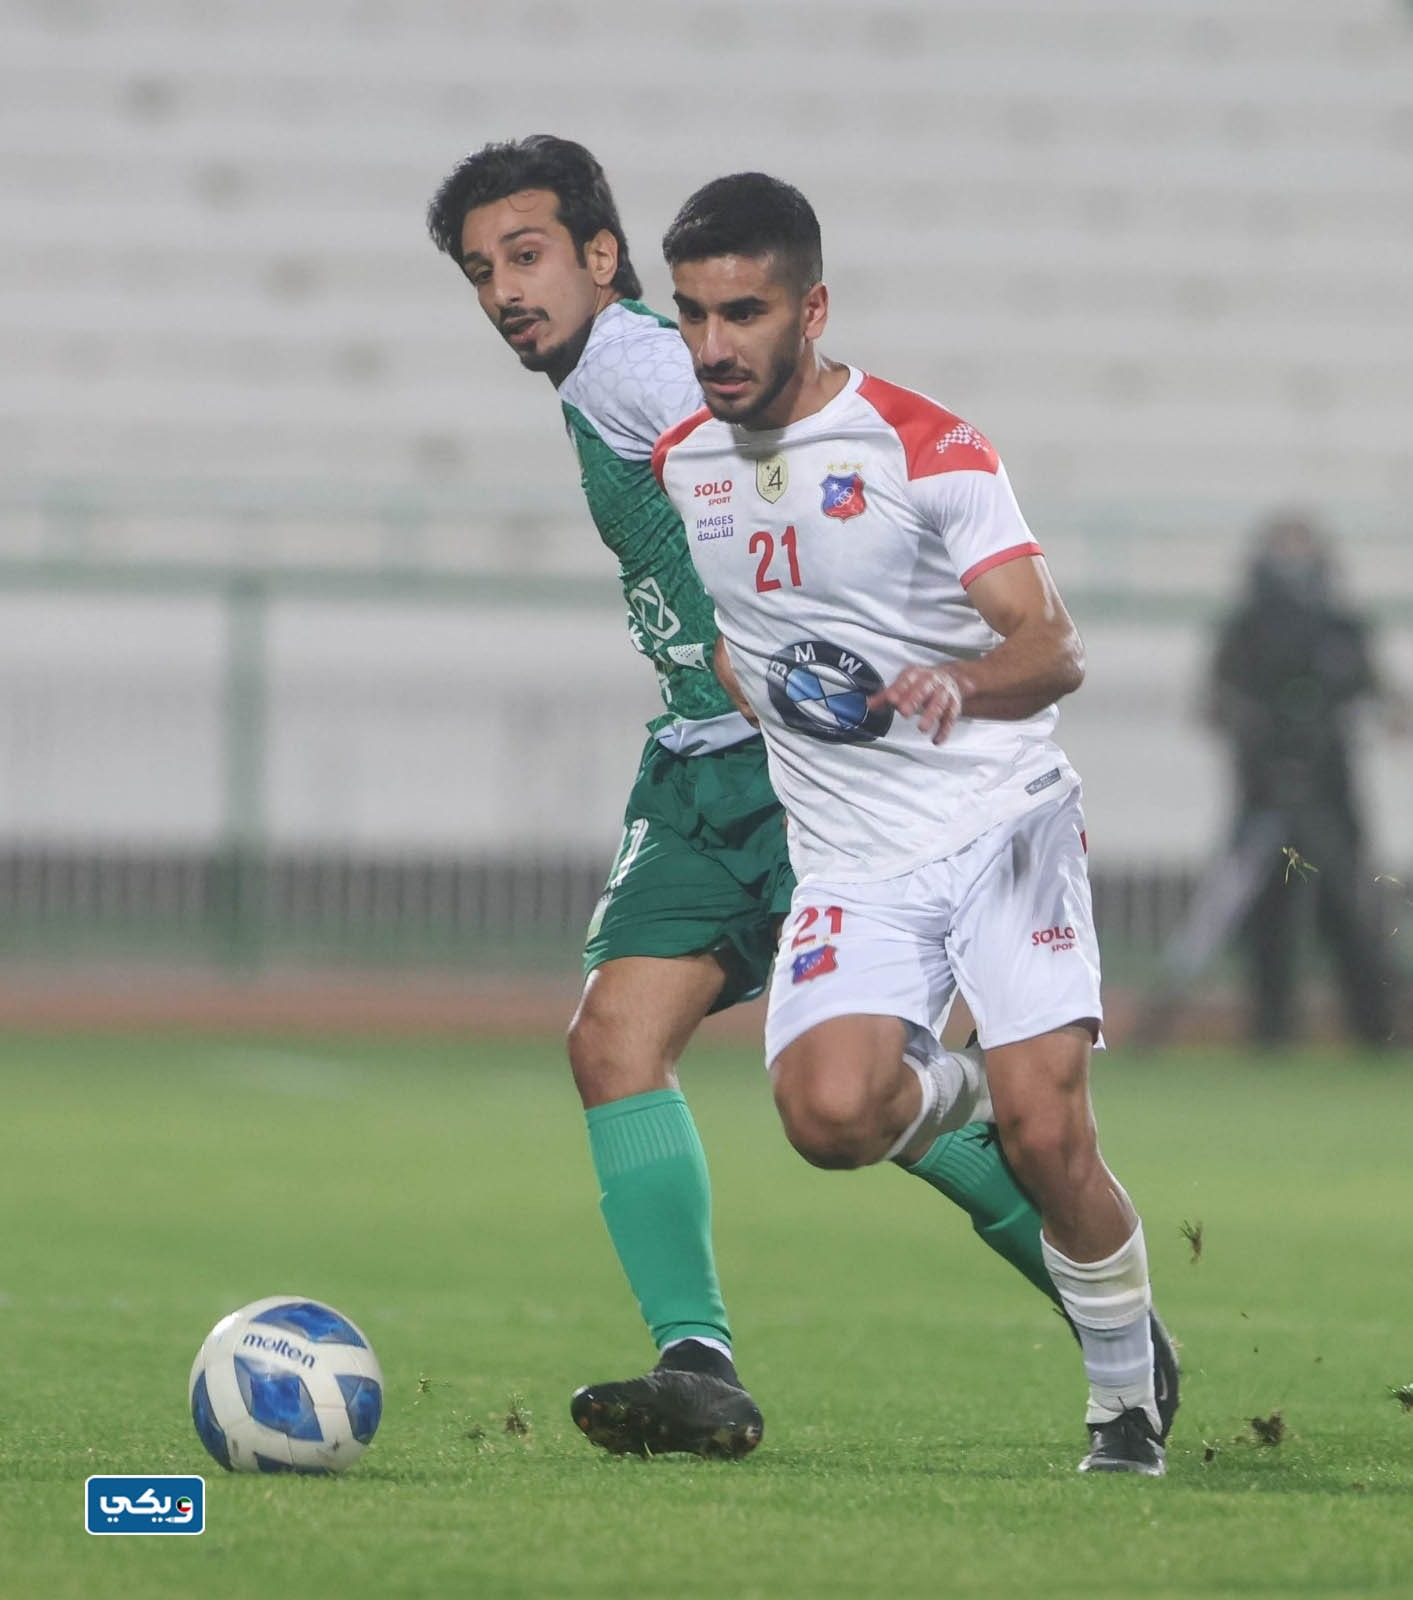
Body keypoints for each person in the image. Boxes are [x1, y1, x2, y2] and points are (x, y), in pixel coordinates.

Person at [425, 138, 1174, 1465]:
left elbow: (805, 502)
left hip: (782, 770)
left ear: (605, 257)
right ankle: (698, 1361)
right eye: (483, 271)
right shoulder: (618, 374)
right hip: (704, 753)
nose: (504, 292)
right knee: (631, 1050)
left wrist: (936, 720)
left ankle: (1104, 1322)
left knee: (848, 1096)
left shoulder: (647, 369)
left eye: (528, 256)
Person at [653, 171, 1176, 1474]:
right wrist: (774, 699)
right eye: (694, 316)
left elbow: (1049, 647)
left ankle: (1124, 1402)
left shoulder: (927, 449)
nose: (716, 346)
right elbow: (739, 640)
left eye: (745, 313)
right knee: (826, 1119)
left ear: (811, 308)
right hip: (854, 864)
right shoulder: (686, 465)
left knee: (1052, 1136)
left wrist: (945, 687)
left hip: (1002, 827)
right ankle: (952, 1089)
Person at [1209, 514, 1402, 1046]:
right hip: (1264, 794)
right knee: (1267, 919)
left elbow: (1382, 699)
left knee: (1351, 914)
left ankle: (1377, 1028)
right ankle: (1270, 1030)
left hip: (1330, 793)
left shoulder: (1342, 628)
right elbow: (1215, 702)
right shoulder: (1244, 629)